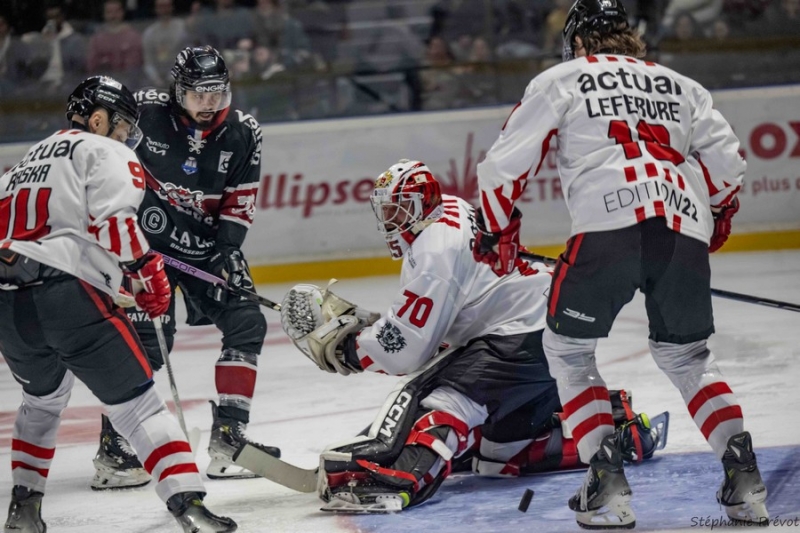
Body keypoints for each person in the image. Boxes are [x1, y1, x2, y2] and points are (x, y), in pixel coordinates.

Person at [471, 0, 767, 528]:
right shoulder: (683, 85)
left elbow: (503, 166)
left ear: (577, 41)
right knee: (688, 356)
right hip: (682, 225)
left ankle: (606, 486)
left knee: (568, 351)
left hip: (606, 225)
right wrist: (719, 213)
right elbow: (728, 165)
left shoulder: (561, 79)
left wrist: (496, 229)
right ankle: (744, 479)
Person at [278, 159, 665, 512]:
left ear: (423, 204)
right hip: (545, 323)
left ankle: (400, 480)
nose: (393, 220)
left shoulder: (433, 251)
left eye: (401, 209)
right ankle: (619, 429)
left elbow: (407, 350)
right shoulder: (449, 208)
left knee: (445, 404)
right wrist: (379, 329)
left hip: (519, 333)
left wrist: (348, 348)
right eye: (387, 211)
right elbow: (440, 322)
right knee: (501, 451)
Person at [0, 75, 236, 533]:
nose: (127, 135)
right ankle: (190, 509)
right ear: (98, 119)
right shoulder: (104, 150)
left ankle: (23, 512)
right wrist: (147, 273)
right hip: (66, 294)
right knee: (139, 406)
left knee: (40, 403)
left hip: (8, 307)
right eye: (123, 124)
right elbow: (114, 223)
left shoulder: (21, 164)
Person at [88, 45, 280, 490]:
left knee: (247, 322)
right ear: (178, 91)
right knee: (149, 344)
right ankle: (115, 445)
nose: (209, 103)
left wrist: (229, 250)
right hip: (143, 251)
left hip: (206, 250)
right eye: (198, 94)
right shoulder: (144, 113)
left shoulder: (244, 131)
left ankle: (229, 437)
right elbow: (99, 162)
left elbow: (240, 201)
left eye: (216, 93)